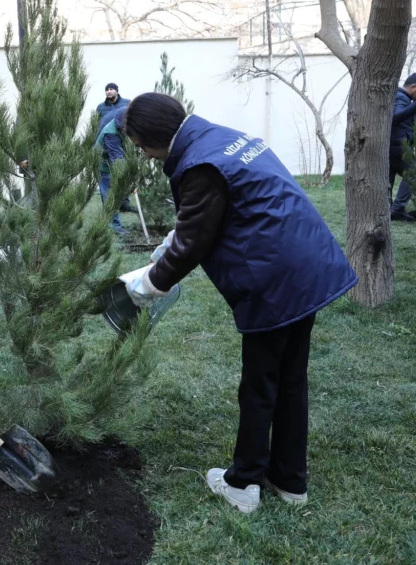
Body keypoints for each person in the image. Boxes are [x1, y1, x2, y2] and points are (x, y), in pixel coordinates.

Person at [121, 92, 356, 514]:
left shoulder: (199, 163)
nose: (147, 156)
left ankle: (243, 484)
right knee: (290, 378)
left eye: (142, 148)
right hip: (305, 263)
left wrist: (146, 286)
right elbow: (207, 213)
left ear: (154, 137)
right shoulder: (219, 139)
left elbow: (194, 242)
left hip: (275, 276)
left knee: (261, 382)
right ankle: (289, 480)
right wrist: (164, 248)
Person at [390, 73, 416, 221]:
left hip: (393, 144)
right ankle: (398, 208)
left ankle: (388, 208)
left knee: (389, 177)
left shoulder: (400, 97)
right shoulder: (401, 97)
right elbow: (396, 117)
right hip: (399, 144)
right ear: (414, 87)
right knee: (414, 174)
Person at [96, 82, 132, 233]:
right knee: (108, 194)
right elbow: (117, 158)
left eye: (112, 89)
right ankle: (114, 227)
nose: (109, 91)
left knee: (116, 190)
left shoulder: (125, 109)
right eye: (107, 89)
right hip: (103, 162)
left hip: (114, 157)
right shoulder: (111, 133)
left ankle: (122, 205)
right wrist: (127, 176)